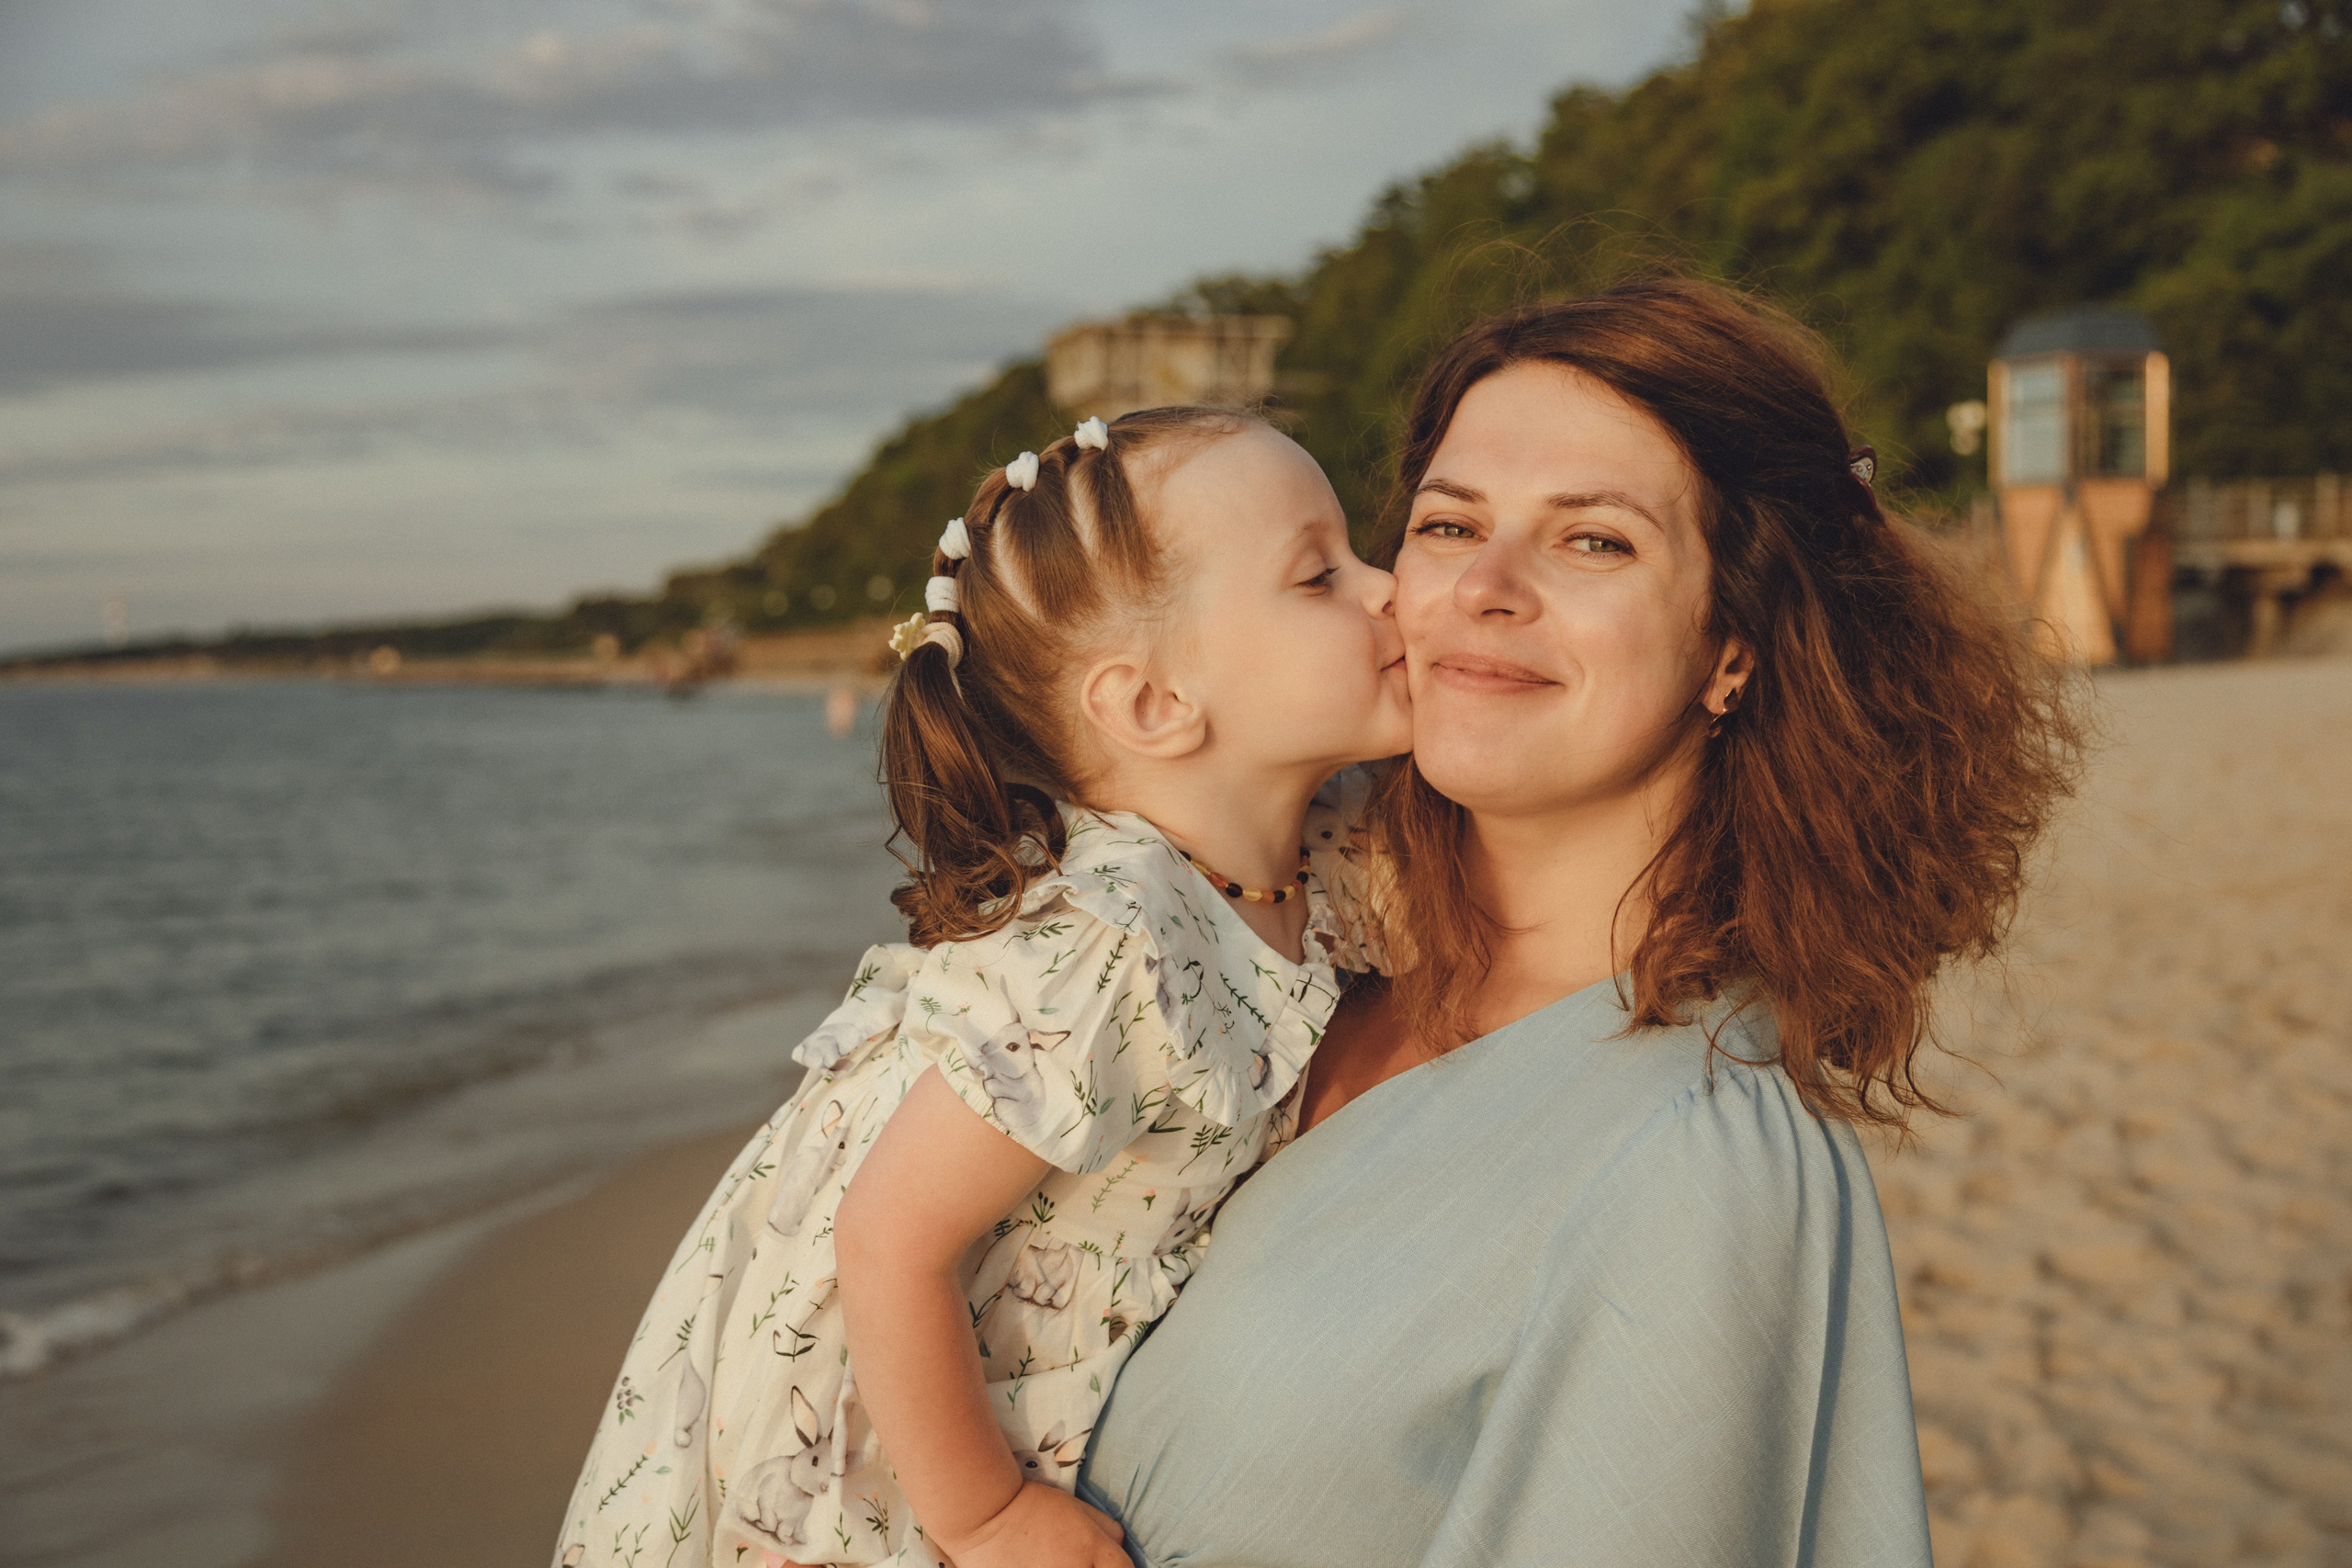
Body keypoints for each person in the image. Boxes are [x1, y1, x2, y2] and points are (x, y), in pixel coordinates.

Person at [1080, 277, 2082, 1567]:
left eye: (1594, 540)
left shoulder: (1698, 1152)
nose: (1485, 586)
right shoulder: (1271, 978)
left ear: (1733, 641)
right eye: (1449, 525)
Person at [553, 407, 1411, 1568]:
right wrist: (986, 1515)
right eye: (1321, 575)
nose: (1394, 586)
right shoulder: (1111, 947)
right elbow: (889, 1239)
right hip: (894, 1421)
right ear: (1154, 704)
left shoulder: (1325, 839)